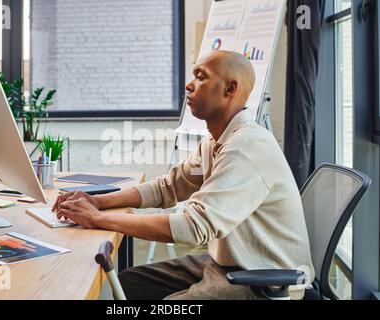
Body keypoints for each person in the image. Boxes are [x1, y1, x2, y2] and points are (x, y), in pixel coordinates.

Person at [53, 50, 315, 300]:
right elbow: (169, 187)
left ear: (230, 89)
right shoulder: (215, 142)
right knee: (129, 282)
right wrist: (99, 201)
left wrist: (99, 220)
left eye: (201, 77)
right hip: (228, 263)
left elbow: (193, 226)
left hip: (263, 281)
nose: (189, 85)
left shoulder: (246, 147)